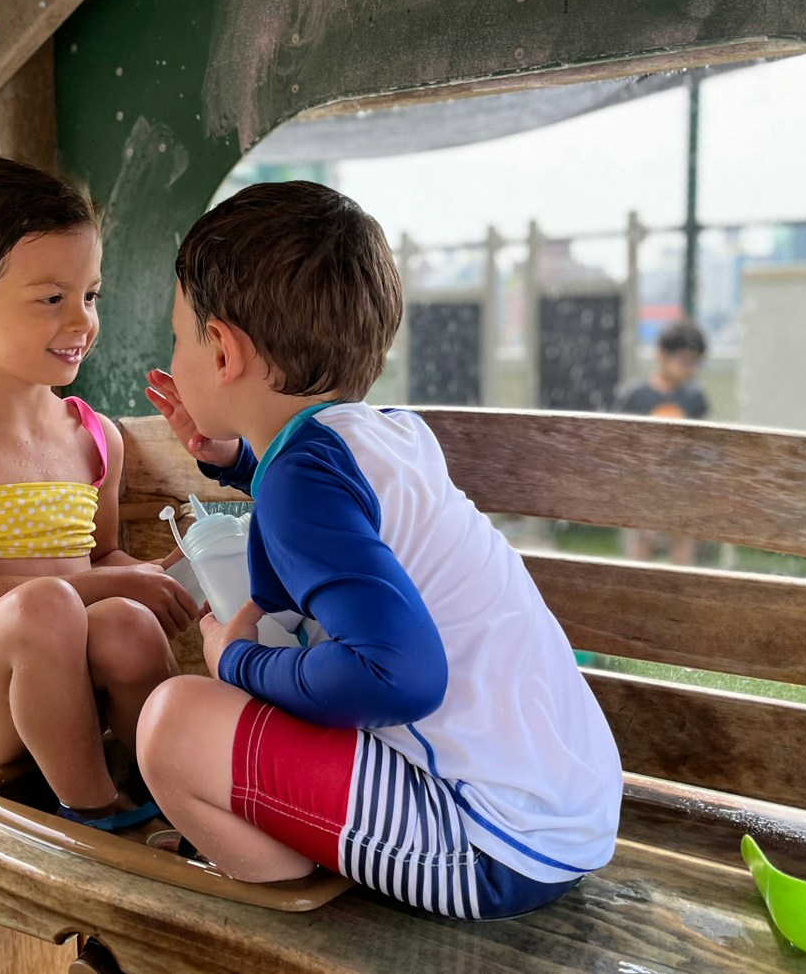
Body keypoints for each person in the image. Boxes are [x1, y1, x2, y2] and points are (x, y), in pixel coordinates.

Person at [136, 182, 621, 920]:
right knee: (275, 672)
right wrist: (235, 460)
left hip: (486, 844)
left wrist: (236, 662)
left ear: (224, 349)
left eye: (180, 335)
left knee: (172, 724)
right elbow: (331, 515)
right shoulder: (390, 434)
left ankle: (269, 890)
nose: (175, 352)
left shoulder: (305, 480)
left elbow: (401, 675)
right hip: (566, 813)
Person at [0, 158, 197, 829]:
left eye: (89, 296)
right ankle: (96, 814)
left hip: (69, 679)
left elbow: (102, 560)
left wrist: (156, 577)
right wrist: (97, 585)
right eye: (51, 299)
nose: (82, 321)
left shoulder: (95, 437)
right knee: (45, 608)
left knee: (125, 622)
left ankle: (179, 798)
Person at [614, 318, 709, 565]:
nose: (690, 369)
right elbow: (622, 441)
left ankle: (680, 588)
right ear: (663, 355)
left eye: (695, 363)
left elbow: (701, 443)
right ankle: (638, 586)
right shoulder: (637, 396)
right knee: (643, 535)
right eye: (684, 361)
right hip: (644, 479)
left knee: (683, 534)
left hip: (681, 480)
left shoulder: (694, 398)